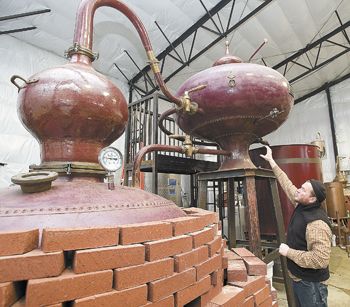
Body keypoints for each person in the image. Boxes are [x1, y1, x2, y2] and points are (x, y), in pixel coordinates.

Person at [260, 145, 332, 307]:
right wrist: (272, 161)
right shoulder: (302, 204)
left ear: (312, 199)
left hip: (311, 284)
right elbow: (287, 184)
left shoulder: (316, 223)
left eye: (303, 190)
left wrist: (288, 252)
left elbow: (319, 260)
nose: (298, 190)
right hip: (299, 279)